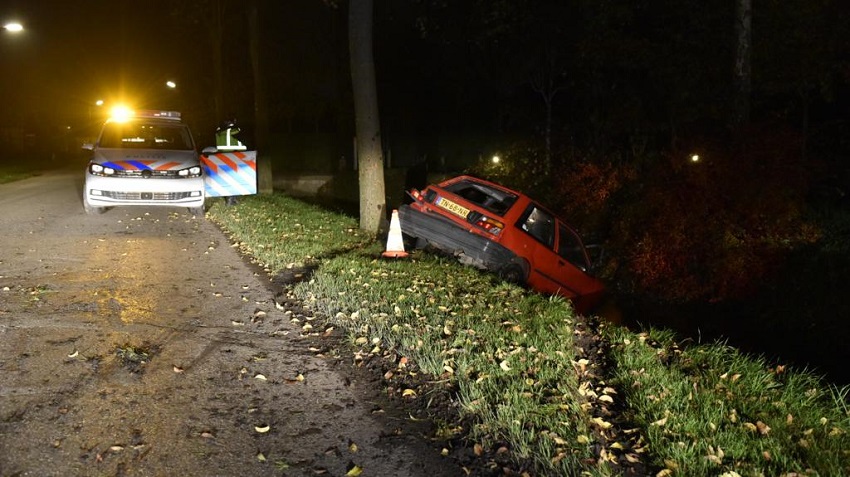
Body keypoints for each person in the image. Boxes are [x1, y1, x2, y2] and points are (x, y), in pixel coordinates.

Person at [215, 118, 247, 205]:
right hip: (233, 157)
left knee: (227, 179)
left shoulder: (219, 132)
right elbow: (242, 143)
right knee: (234, 179)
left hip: (222, 158)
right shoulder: (233, 131)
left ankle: (232, 199)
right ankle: (231, 200)